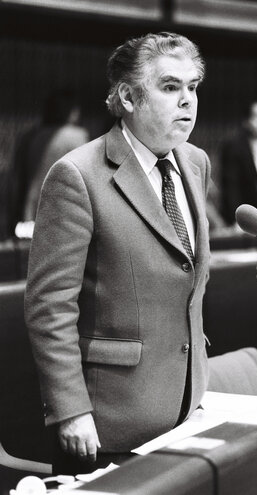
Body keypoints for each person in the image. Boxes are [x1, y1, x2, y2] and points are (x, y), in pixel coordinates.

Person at [24, 32, 211, 475]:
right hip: (110, 420)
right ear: (128, 96)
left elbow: (185, 273)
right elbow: (50, 308)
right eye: (170, 87)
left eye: (194, 86)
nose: (188, 101)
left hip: (188, 405)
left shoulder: (196, 162)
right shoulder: (77, 175)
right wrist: (70, 410)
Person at [9, 90, 89, 236]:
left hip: (30, 215)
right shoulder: (77, 136)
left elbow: (18, 178)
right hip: (63, 219)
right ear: (72, 111)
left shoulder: (31, 136)